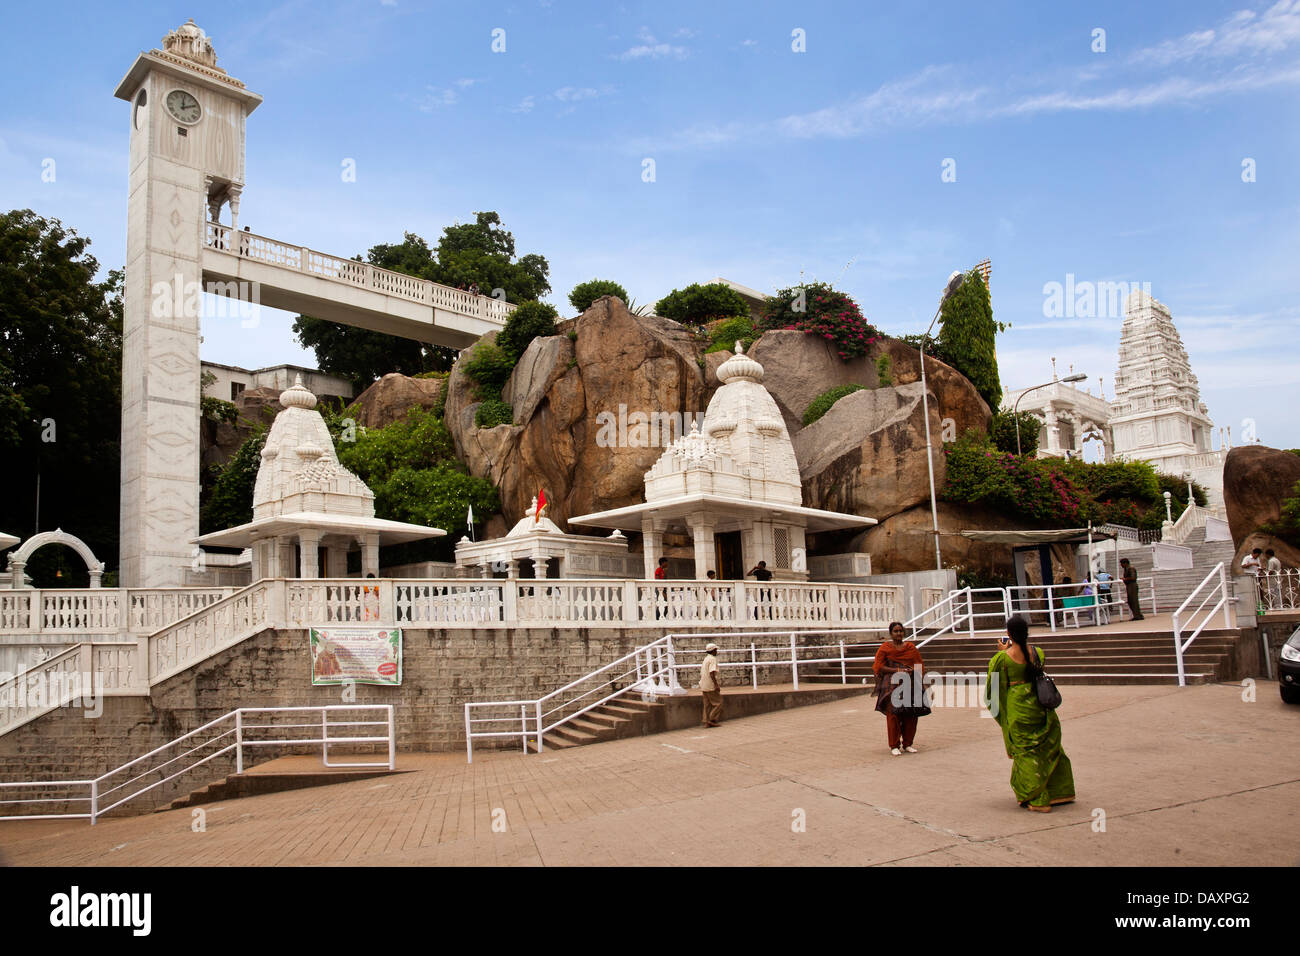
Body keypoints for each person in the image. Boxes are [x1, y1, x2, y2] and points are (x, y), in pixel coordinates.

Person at [985, 615, 1075, 812]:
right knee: (1048, 748)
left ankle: (1037, 798)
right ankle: (1060, 792)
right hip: (1041, 707)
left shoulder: (1002, 659)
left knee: (1026, 752)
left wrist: (1004, 652)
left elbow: (993, 691)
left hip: (1019, 709)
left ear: (1008, 634)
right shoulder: (1038, 653)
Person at [873, 621, 924, 756]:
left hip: (910, 684)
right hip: (891, 685)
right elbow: (879, 666)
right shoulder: (885, 648)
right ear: (891, 633)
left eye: (900, 631)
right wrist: (897, 670)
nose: (898, 634)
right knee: (893, 714)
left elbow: (919, 665)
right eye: (895, 631)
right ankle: (894, 745)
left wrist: (919, 681)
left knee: (911, 714)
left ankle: (908, 743)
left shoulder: (911, 648)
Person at [699, 642, 723, 727]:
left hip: (703, 684)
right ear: (713, 651)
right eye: (716, 650)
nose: (717, 651)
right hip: (709, 684)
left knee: (707, 704)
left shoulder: (706, 659)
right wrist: (716, 684)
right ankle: (712, 719)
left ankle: (706, 721)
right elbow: (712, 673)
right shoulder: (712, 659)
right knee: (718, 702)